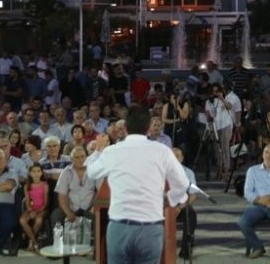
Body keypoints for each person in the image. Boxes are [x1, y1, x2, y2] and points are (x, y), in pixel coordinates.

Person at [86, 105, 190, 264]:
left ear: (125, 128)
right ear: (149, 128)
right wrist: (171, 199)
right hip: (150, 227)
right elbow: (183, 184)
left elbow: (92, 172)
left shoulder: (112, 151)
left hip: (119, 227)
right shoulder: (162, 151)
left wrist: (98, 149)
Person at [51, 147, 98, 230]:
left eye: (82, 156)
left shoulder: (94, 170)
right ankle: (56, 241)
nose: (80, 160)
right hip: (71, 207)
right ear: (72, 159)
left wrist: (94, 207)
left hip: (89, 208)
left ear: (86, 157)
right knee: (56, 215)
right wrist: (68, 211)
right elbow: (62, 195)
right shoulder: (66, 172)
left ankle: (97, 242)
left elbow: (99, 191)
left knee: (100, 216)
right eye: (77, 157)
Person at [19, 163, 49, 253]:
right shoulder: (27, 186)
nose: (36, 173)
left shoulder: (45, 185)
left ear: (42, 173)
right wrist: (30, 210)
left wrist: (36, 212)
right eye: (34, 171)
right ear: (30, 173)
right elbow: (27, 201)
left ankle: (31, 241)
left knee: (39, 220)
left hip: (42, 209)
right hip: (31, 208)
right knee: (22, 220)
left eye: (38, 171)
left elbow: (45, 203)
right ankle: (35, 241)